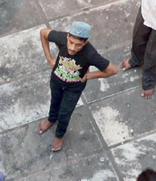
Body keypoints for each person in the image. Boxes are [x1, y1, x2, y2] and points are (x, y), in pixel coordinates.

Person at [39, 23, 117, 153]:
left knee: (65, 113)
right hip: (56, 80)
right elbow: (43, 33)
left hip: (73, 89)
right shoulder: (61, 38)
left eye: (78, 45)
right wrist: (49, 58)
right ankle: (51, 119)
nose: (73, 48)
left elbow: (113, 70)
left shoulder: (90, 54)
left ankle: (59, 135)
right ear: (68, 36)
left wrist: (89, 75)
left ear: (85, 42)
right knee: (55, 100)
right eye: (71, 42)